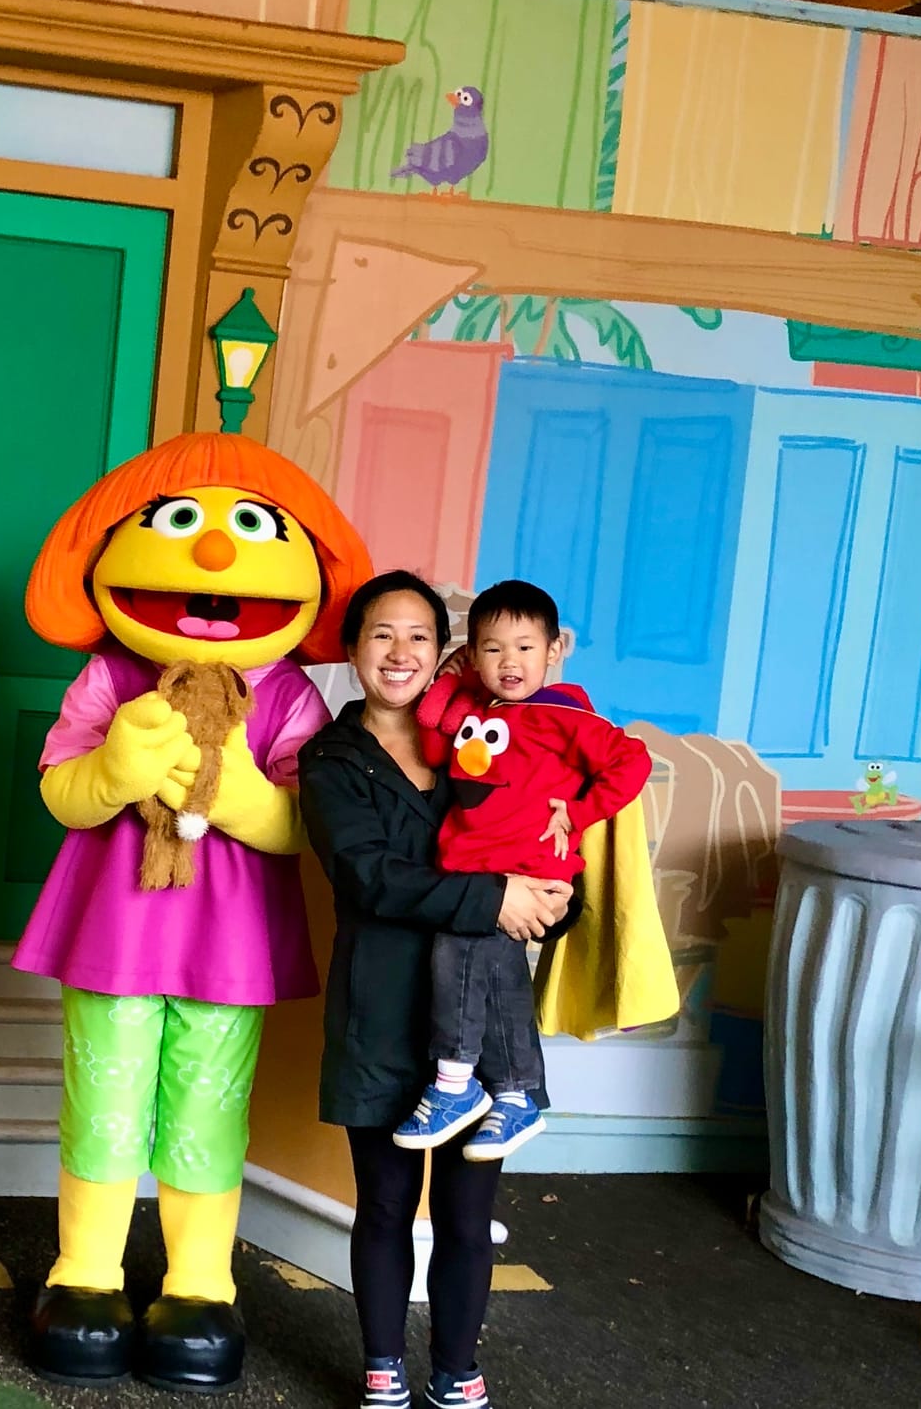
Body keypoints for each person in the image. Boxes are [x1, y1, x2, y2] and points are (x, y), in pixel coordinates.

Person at [298, 572, 572, 1409]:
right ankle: (383, 1364)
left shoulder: (483, 746)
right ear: (352, 650)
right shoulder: (330, 760)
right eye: (381, 634)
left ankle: (458, 1367)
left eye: (418, 634)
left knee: (466, 1213)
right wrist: (499, 898)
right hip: (379, 1015)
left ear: (444, 650)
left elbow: (539, 844)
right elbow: (372, 878)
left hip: (480, 1026)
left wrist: (555, 900)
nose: (400, 652)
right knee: (384, 1205)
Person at [394, 579, 651, 1163]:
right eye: (492, 648)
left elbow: (630, 761)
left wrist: (579, 812)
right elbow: (435, 747)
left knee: (456, 958)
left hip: (519, 868)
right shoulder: (480, 713)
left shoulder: (561, 714)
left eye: (524, 647)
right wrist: (452, 680)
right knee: (499, 974)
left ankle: (456, 1084)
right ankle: (514, 1095)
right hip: (476, 868)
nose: (509, 662)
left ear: (554, 649)